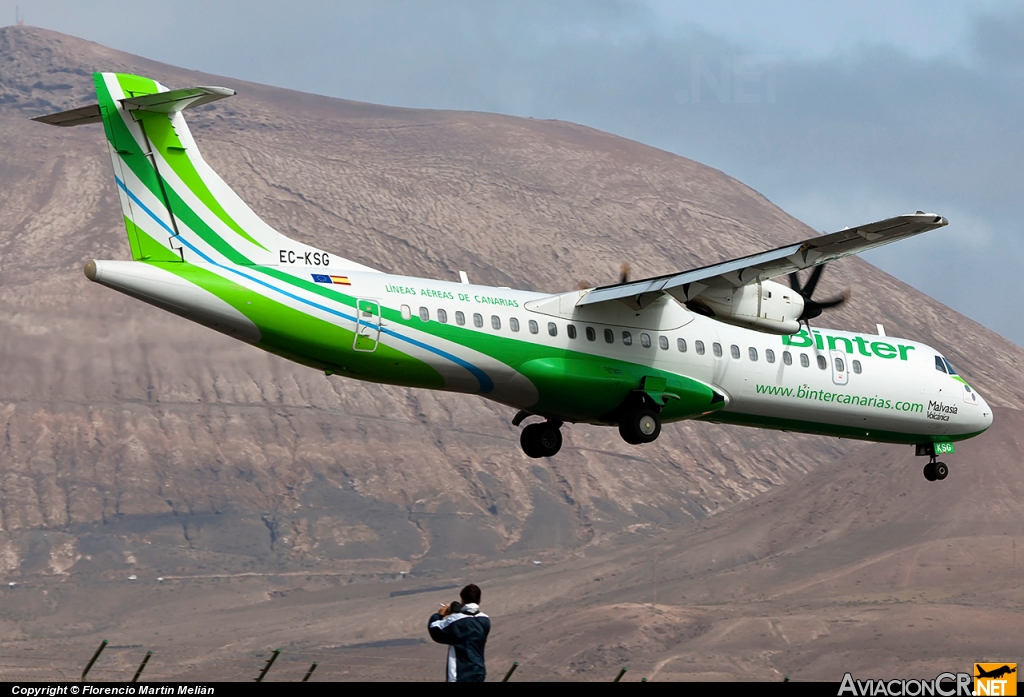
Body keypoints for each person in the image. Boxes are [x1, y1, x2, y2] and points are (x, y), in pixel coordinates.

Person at [428, 583, 490, 682]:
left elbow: (434, 628)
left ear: (463, 600)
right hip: (478, 670)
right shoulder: (485, 620)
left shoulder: (456, 621)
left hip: (460, 673)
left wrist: (440, 614)